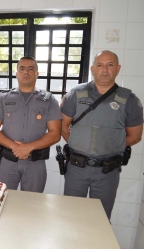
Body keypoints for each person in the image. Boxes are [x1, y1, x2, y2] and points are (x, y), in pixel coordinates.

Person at [61, 50, 143, 219]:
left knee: (100, 220)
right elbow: (63, 127)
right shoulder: (76, 94)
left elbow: (135, 136)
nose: (104, 70)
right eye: (100, 65)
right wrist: (78, 144)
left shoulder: (129, 99)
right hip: (77, 168)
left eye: (110, 65)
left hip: (108, 171)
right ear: (92, 68)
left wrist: (110, 147)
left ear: (118, 68)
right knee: (70, 216)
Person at [0, 56, 62, 191]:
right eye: (22, 69)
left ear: (37, 74)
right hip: (8, 162)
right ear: (16, 74)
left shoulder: (49, 101)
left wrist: (29, 147)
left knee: (32, 204)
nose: (26, 72)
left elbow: (55, 133)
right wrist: (16, 147)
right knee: (3, 200)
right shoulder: (3, 98)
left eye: (30, 69)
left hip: (35, 163)